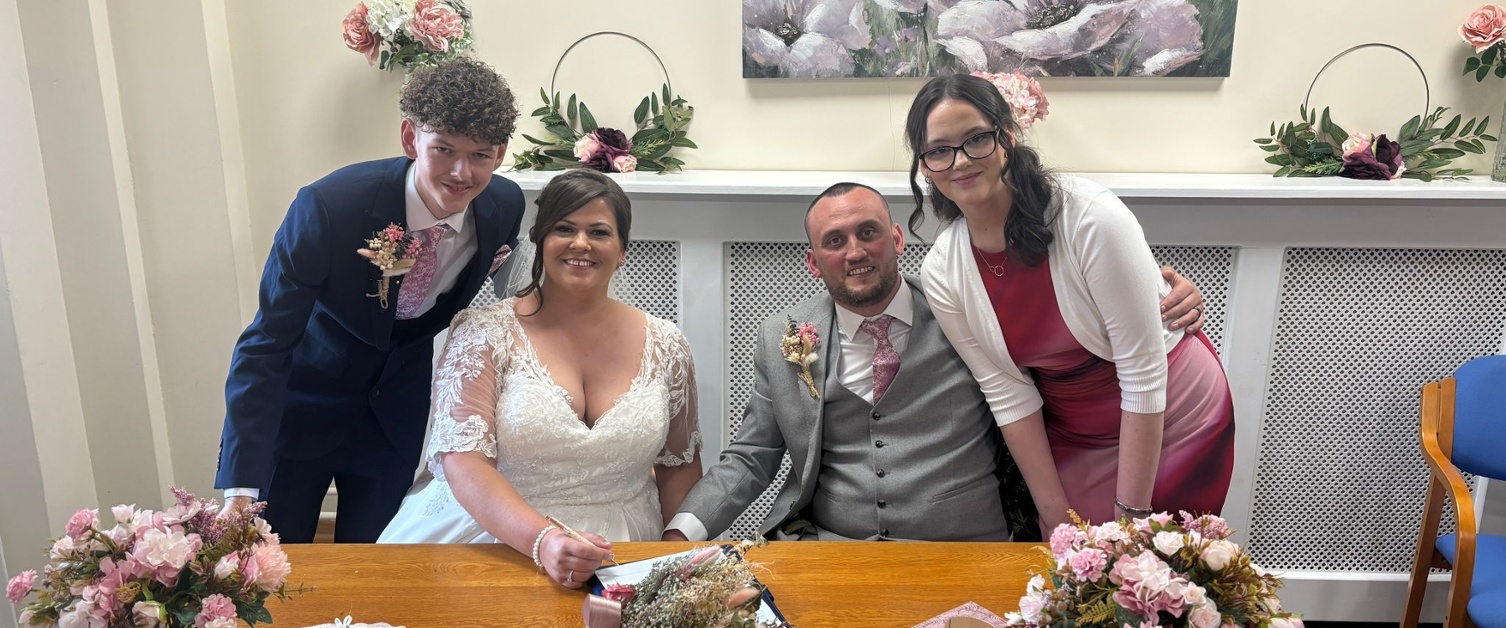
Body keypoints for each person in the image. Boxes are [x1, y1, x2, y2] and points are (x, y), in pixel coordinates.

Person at [662, 182, 1205, 543]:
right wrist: (681, 531)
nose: (855, 252)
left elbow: (1066, 330)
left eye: (868, 232)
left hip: (970, 548)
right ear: (812, 261)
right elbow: (753, 456)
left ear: (896, 238)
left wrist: (1160, 299)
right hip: (832, 550)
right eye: (834, 241)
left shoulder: (964, 308)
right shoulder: (781, 337)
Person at [214, 58, 526, 543]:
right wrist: (240, 482)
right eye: (443, 150)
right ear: (410, 139)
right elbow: (266, 343)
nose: (462, 173)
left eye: (481, 155)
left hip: (396, 417)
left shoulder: (504, 206)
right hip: (303, 411)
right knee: (280, 575)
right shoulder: (329, 208)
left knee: (378, 571)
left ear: (500, 154)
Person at [909, 74, 1236, 532]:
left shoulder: (1091, 217)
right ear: (924, 166)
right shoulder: (943, 269)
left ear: (1008, 136)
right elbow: (1007, 392)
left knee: (1153, 568)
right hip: (1074, 430)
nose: (960, 161)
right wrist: (1054, 516)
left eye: (976, 139)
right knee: (1070, 563)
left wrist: (1133, 517)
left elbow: (1142, 370)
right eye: (939, 150)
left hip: (1173, 411)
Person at [378, 169, 703, 590]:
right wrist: (543, 540)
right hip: (491, 534)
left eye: (599, 232)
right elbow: (463, 460)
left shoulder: (668, 345)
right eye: (564, 228)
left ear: (623, 249)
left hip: (622, 545)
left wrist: (671, 553)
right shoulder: (483, 333)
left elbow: (679, 465)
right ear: (541, 240)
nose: (580, 244)